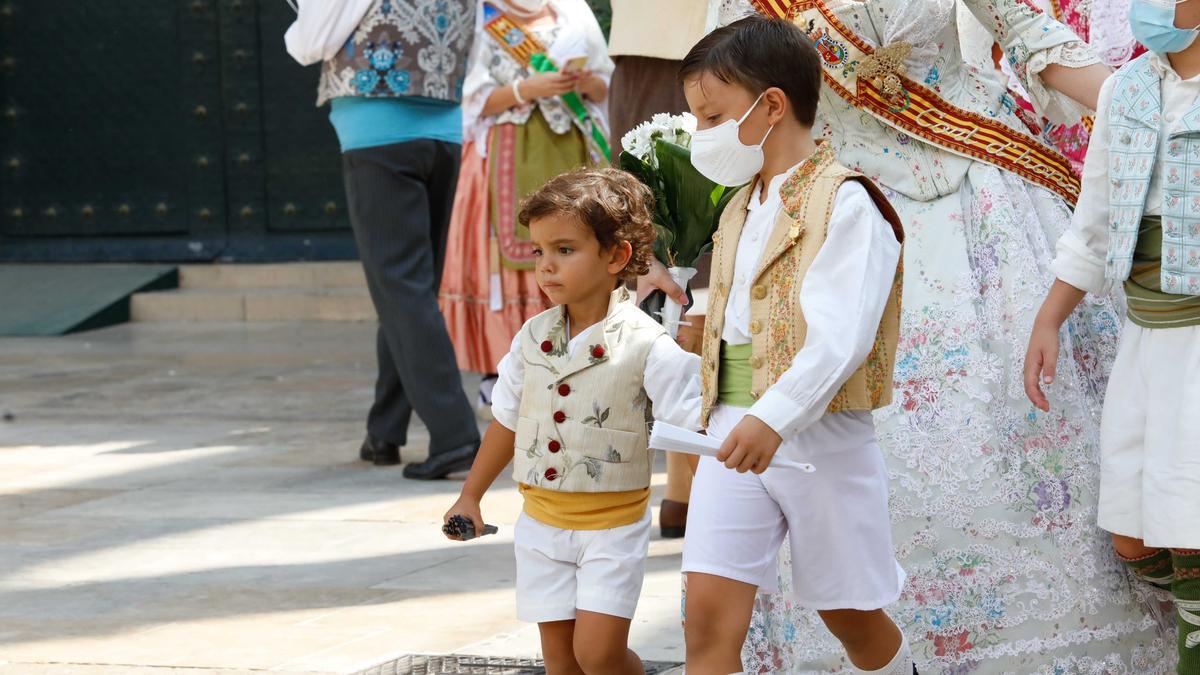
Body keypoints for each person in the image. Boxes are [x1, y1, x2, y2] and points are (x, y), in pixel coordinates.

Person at [692, 0, 1173, 671]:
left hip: (985, 195)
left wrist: (1162, 108)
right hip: (829, 215)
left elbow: (1028, 32)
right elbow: (728, 92)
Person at [678, 17, 912, 675]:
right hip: (730, 427)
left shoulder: (848, 203)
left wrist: (773, 416)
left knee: (852, 617)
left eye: (711, 115)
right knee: (707, 620)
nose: (701, 135)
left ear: (771, 105)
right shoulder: (738, 206)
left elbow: (843, 337)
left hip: (818, 435)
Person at [443, 168, 702, 675]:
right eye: (539, 252)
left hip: (613, 529)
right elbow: (507, 420)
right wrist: (470, 496)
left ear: (616, 257)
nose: (546, 267)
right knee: (562, 664)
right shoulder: (530, 337)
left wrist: (714, 508)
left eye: (564, 250)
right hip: (541, 525)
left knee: (599, 656)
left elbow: (688, 431)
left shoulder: (649, 345)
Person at [1026, 0, 1200, 671]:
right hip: (1144, 334)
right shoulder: (1128, 88)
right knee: (1132, 537)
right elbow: (1094, 223)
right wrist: (1050, 317)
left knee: (1189, 524)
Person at [286, 0, 480, 479]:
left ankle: (455, 438)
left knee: (401, 288)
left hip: (376, 131)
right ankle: (385, 432)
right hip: (445, 131)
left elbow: (308, 43)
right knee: (412, 289)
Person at [439, 0, 613, 423]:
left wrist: (584, 80)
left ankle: (580, 363)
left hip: (568, 149)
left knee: (577, 248)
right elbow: (464, 98)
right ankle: (500, 372)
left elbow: (604, 87)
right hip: (503, 154)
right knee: (514, 259)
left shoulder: (572, 12)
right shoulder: (479, 16)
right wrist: (525, 90)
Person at [607, 0, 712, 539]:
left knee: (689, 261)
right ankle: (695, 486)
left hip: (652, 41)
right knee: (697, 264)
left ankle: (683, 490)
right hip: (700, 46)